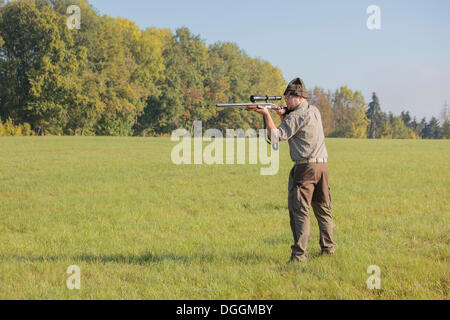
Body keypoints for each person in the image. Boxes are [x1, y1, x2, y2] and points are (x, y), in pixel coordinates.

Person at [254, 77, 336, 262]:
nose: (285, 102)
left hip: (305, 169)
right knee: (323, 210)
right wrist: (283, 114)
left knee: (300, 211)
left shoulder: (295, 115)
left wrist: (267, 115)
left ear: (297, 97)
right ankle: (328, 249)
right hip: (322, 166)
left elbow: (276, 137)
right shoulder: (314, 110)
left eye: (287, 98)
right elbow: (297, 128)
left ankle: (299, 256)